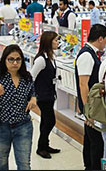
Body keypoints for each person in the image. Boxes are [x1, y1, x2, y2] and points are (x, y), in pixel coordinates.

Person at [75, 24, 106, 170]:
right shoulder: (87, 55)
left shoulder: (91, 53)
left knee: (90, 140)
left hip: (91, 107)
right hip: (91, 109)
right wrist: (88, 110)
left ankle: (89, 166)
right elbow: (83, 84)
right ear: (100, 38)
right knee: (96, 142)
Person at [0, 44, 36, 170]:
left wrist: (33, 98)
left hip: (23, 126)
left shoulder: (26, 77)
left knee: (24, 164)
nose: (15, 63)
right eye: (11, 59)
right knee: (1, 162)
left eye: (18, 59)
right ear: (4, 60)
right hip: (2, 126)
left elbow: (33, 92)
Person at [30, 31, 59, 159]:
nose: (58, 43)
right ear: (49, 42)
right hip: (43, 95)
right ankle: (41, 147)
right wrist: (32, 95)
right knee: (49, 121)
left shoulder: (50, 57)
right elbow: (31, 77)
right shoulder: (41, 59)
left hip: (49, 94)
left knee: (46, 121)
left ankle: (44, 145)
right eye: (56, 40)